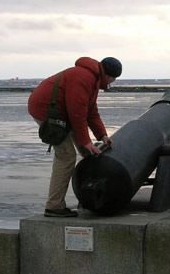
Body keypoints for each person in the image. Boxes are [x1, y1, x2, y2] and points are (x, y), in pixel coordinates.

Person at [28, 56, 122, 218]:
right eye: (112, 79)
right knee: (66, 156)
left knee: (87, 151)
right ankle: (54, 206)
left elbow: (91, 112)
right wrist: (85, 141)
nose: (110, 83)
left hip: (60, 112)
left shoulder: (92, 79)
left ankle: (91, 192)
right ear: (107, 75)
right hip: (47, 111)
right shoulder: (84, 78)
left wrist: (102, 135)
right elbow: (77, 114)